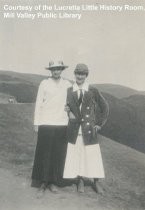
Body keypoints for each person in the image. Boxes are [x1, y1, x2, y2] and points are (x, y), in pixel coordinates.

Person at [63, 63, 109, 193]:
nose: (80, 76)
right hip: (74, 129)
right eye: (78, 73)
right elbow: (68, 107)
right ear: (75, 74)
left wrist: (99, 124)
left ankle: (96, 182)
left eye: (82, 74)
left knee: (93, 156)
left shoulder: (92, 90)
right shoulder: (69, 90)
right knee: (77, 155)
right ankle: (80, 181)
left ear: (86, 75)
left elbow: (105, 107)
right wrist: (67, 110)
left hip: (89, 129)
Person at [31, 61, 71, 194]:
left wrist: (69, 108)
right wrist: (36, 123)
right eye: (53, 69)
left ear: (62, 70)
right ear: (50, 70)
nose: (56, 71)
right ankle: (43, 183)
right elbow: (38, 104)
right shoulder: (44, 83)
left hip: (61, 123)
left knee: (58, 154)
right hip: (46, 123)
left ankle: (53, 182)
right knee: (44, 153)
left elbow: (72, 102)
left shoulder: (67, 84)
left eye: (58, 69)